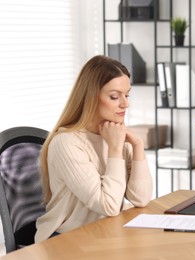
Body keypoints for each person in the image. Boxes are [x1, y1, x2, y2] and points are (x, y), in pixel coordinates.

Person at [35, 55, 153, 242]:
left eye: (127, 95)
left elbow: (141, 198)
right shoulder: (66, 143)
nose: (125, 104)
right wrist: (115, 148)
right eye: (114, 96)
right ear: (91, 97)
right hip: (64, 241)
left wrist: (137, 146)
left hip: (105, 232)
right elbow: (109, 206)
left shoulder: (115, 134)